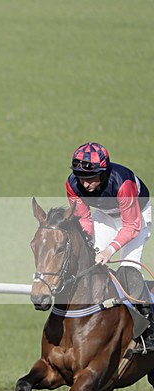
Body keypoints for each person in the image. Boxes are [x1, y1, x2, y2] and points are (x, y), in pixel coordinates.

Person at [65, 141, 154, 353]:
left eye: (91, 178)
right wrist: (88, 243)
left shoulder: (122, 183)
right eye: (81, 177)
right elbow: (83, 218)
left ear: (104, 173)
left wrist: (109, 250)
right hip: (105, 215)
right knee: (89, 262)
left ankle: (150, 331)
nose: (86, 184)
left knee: (128, 269)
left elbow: (132, 225)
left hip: (137, 216)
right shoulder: (72, 184)